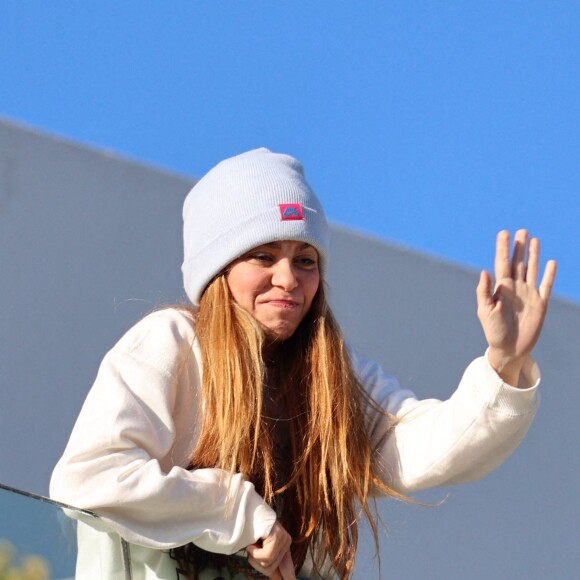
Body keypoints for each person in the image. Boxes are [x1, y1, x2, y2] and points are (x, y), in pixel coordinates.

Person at [50, 148, 557, 580]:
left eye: (305, 259)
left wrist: (504, 362)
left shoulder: (332, 374)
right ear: (218, 271)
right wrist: (242, 513)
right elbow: (92, 475)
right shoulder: (173, 343)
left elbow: (423, 447)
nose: (288, 278)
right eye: (264, 256)